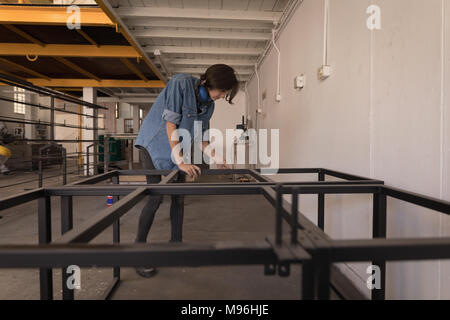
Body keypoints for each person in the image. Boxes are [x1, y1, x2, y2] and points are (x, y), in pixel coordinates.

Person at [134, 64, 239, 277]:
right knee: (155, 198)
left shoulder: (209, 105)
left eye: (225, 94)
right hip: (154, 144)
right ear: (213, 84)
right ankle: (137, 252)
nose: (222, 96)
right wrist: (181, 162)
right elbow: (170, 125)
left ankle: (176, 247)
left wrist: (218, 158)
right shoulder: (180, 84)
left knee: (178, 197)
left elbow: (201, 138)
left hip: (176, 150)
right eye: (223, 91)